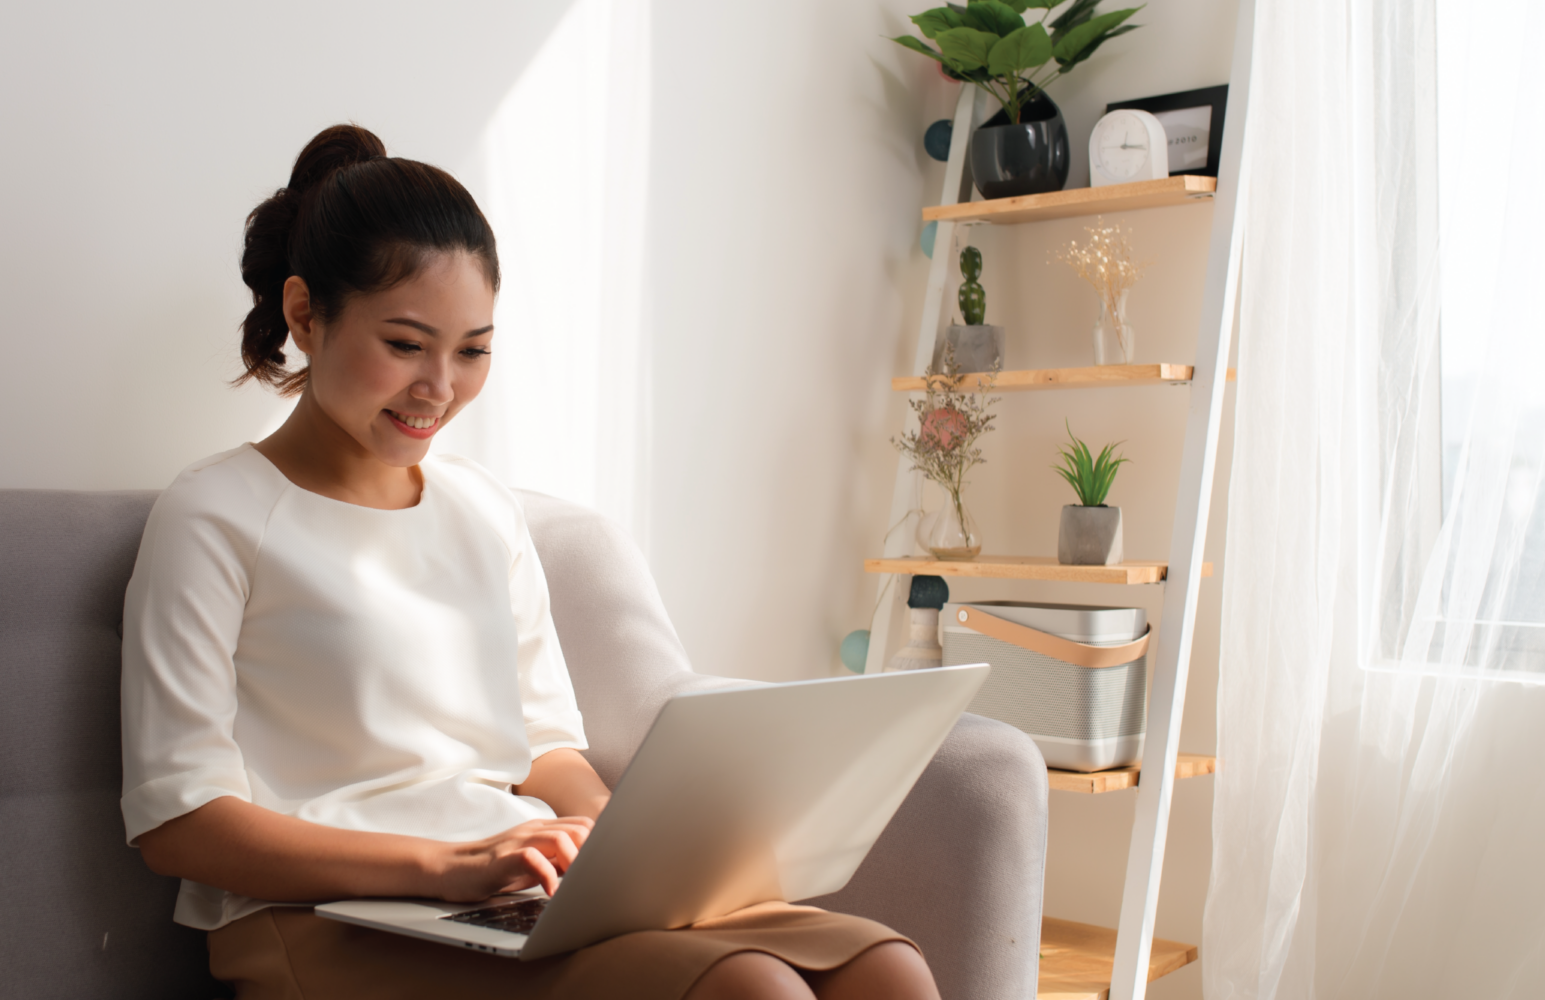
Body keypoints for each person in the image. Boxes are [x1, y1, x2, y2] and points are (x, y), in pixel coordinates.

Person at [119, 123, 941, 1000]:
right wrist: (449, 866)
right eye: (405, 345)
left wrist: (617, 844)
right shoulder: (215, 514)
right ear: (304, 315)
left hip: (506, 895)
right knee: (750, 988)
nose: (440, 386)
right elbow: (179, 822)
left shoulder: (481, 510)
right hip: (323, 920)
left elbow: (546, 749)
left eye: (472, 350)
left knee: (883, 966)